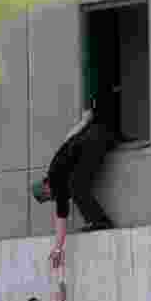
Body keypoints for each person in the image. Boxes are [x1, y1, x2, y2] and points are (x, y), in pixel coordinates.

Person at [32, 99, 119, 269]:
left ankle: (100, 222)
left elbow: (61, 220)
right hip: (98, 132)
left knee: (76, 186)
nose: (54, 198)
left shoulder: (56, 180)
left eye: (49, 197)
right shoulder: (56, 168)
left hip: (94, 141)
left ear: (46, 188)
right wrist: (85, 121)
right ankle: (97, 221)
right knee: (76, 184)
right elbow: (68, 137)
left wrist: (58, 248)